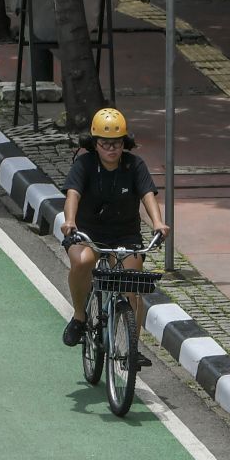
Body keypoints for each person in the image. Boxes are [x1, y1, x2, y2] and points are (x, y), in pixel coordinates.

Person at [58, 108, 169, 358]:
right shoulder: (84, 164)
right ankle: (79, 316)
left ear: (124, 143)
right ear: (95, 144)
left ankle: (132, 347)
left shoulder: (134, 165)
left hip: (125, 234)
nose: (111, 149)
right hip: (87, 232)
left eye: (117, 143)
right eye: (105, 144)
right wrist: (70, 221)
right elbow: (72, 193)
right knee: (83, 261)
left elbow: (147, 195)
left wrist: (159, 223)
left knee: (132, 282)